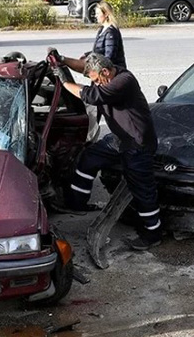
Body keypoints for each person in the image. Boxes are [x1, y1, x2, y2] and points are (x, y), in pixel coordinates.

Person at [53, 53, 162, 250]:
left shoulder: (123, 81)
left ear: (105, 71)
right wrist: (61, 60)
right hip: (119, 139)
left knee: (142, 190)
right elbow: (84, 67)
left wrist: (62, 80)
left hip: (137, 143)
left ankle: (152, 234)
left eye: (95, 79)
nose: (94, 82)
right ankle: (77, 203)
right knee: (89, 158)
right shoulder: (104, 73)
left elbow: (93, 96)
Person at [56, 1, 127, 73]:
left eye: (98, 14)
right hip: (102, 66)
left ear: (106, 14)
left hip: (113, 72)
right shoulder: (102, 29)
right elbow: (100, 50)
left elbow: (110, 56)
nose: (95, 16)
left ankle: (62, 59)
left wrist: (96, 66)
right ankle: (61, 60)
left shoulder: (111, 33)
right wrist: (87, 54)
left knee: (83, 66)